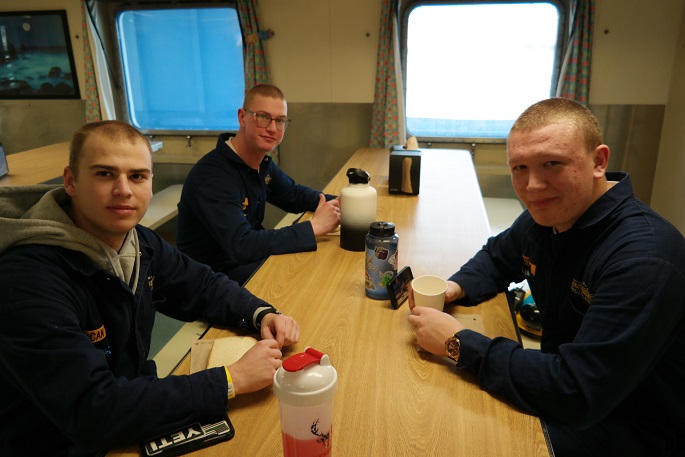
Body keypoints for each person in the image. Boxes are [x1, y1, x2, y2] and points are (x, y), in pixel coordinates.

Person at [0, 120, 301, 456]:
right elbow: (93, 412)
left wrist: (260, 314)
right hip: (60, 442)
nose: (124, 190)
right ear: (71, 180)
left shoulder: (138, 242)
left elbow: (202, 285)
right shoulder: (25, 280)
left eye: (137, 176)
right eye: (104, 174)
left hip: (128, 414)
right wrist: (230, 381)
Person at [407, 98, 685, 457]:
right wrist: (455, 287)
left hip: (627, 424)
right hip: (569, 387)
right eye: (519, 167)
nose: (532, 186)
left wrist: (458, 343)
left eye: (551, 163)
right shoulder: (549, 217)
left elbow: (576, 391)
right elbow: (497, 256)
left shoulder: (643, 258)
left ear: (599, 161)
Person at [177, 84, 341, 285]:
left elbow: (293, 195)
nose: (272, 128)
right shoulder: (213, 175)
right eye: (263, 117)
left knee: (315, 264)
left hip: (239, 261)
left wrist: (348, 203)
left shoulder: (260, 163)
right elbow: (242, 245)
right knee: (303, 279)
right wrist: (314, 227)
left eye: (280, 121)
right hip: (209, 277)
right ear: (242, 117)